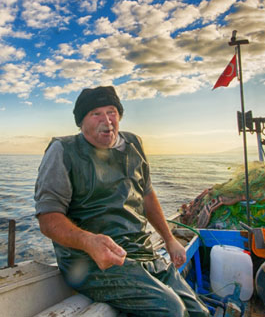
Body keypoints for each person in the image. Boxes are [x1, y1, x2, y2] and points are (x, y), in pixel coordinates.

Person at [34, 86, 209, 317]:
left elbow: (146, 194)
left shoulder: (134, 144)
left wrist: (169, 239)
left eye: (112, 112)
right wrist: (89, 242)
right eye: (95, 113)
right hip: (91, 261)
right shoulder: (63, 151)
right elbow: (48, 219)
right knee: (172, 311)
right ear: (81, 122)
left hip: (142, 251)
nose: (107, 121)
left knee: (200, 313)